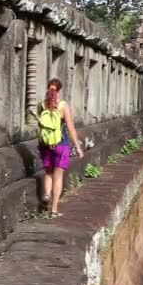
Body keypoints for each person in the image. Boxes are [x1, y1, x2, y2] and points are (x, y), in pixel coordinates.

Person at [31, 78, 84, 217]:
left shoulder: (41, 105)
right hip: (61, 143)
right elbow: (70, 128)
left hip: (45, 144)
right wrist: (77, 147)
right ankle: (53, 210)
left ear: (48, 89)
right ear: (59, 90)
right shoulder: (63, 106)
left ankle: (47, 194)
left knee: (48, 172)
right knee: (58, 177)